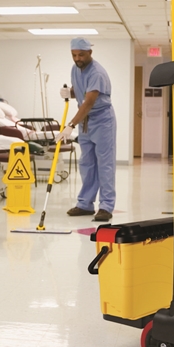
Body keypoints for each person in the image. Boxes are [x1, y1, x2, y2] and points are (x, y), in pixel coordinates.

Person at [59, 37, 116, 222]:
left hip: (102, 120)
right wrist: (70, 93)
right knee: (87, 163)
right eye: (74, 55)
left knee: (105, 164)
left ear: (90, 53)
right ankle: (85, 204)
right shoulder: (75, 69)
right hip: (85, 121)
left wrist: (70, 125)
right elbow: (80, 91)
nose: (78, 58)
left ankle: (106, 206)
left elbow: (89, 102)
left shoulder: (97, 72)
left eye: (81, 55)